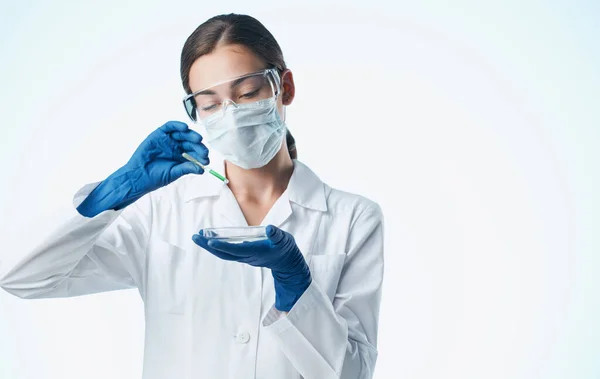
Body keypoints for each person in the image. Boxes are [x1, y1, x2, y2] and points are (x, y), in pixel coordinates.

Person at [0, 13, 384, 379]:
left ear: (284, 88)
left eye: (247, 92)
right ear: (195, 111)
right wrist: (113, 192)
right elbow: (19, 277)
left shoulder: (352, 218)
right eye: (211, 104)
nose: (230, 114)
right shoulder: (160, 213)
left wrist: (296, 288)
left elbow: (352, 373)